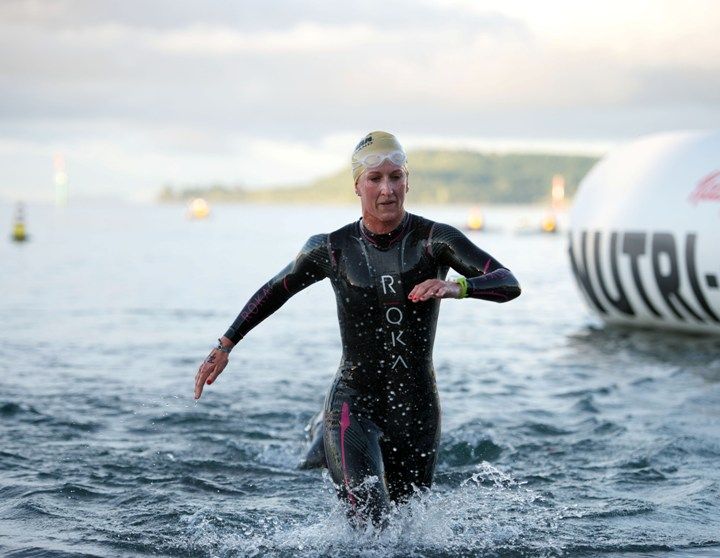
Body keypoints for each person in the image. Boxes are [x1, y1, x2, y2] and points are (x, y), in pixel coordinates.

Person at [194, 131, 521, 525]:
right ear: (357, 186)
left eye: (396, 177)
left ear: (407, 181)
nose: (387, 189)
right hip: (353, 403)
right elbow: (275, 289)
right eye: (375, 179)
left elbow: (507, 282)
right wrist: (225, 344)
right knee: (369, 524)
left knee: (406, 531)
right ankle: (321, 432)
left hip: (417, 408)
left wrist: (458, 286)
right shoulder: (331, 248)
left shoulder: (436, 240)